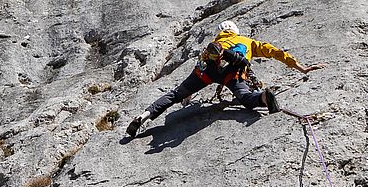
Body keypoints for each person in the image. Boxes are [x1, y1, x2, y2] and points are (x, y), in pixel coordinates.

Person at [125, 20, 324, 138]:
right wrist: (301, 68)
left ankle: (144, 116)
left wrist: (187, 96)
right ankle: (264, 97)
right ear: (237, 32)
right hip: (233, 72)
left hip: (207, 70)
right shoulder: (248, 42)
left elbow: (188, 87)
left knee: (175, 94)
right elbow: (276, 52)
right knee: (245, 97)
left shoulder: (216, 42)